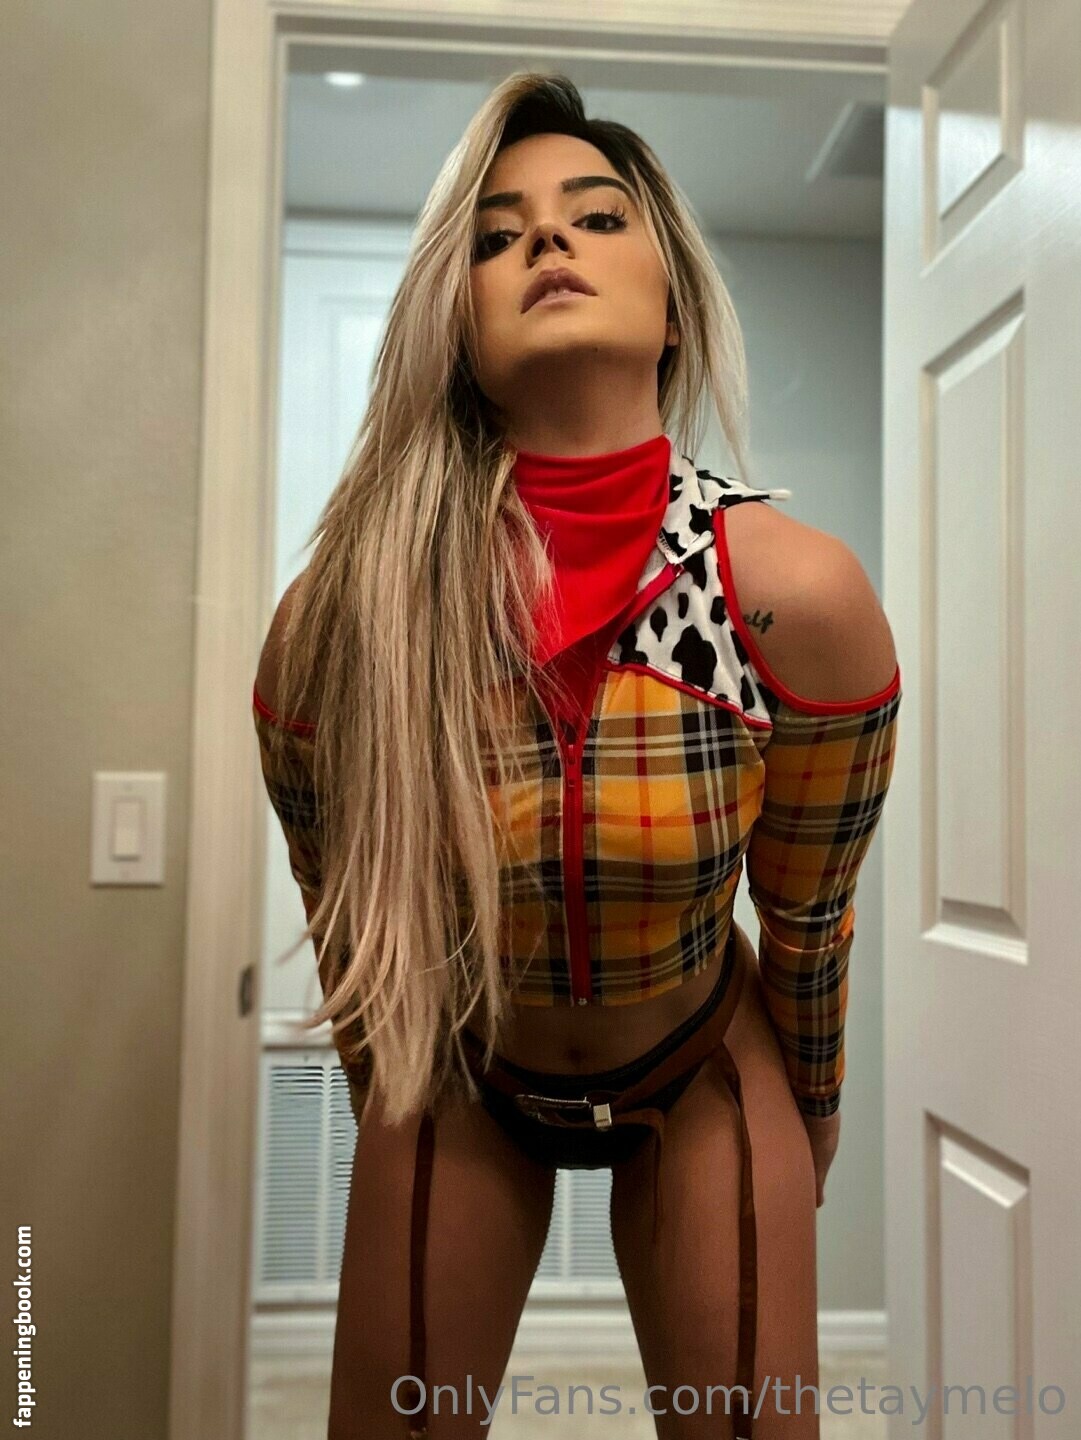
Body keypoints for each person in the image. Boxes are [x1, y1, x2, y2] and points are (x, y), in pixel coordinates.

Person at [252, 71, 901, 1440]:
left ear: (673, 307)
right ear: (458, 325)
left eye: (597, 217)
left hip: (703, 1067)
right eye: (495, 236)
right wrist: (388, 1104)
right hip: (464, 1073)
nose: (546, 240)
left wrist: (812, 1117)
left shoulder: (790, 597)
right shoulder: (345, 618)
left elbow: (809, 919)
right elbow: (345, 918)